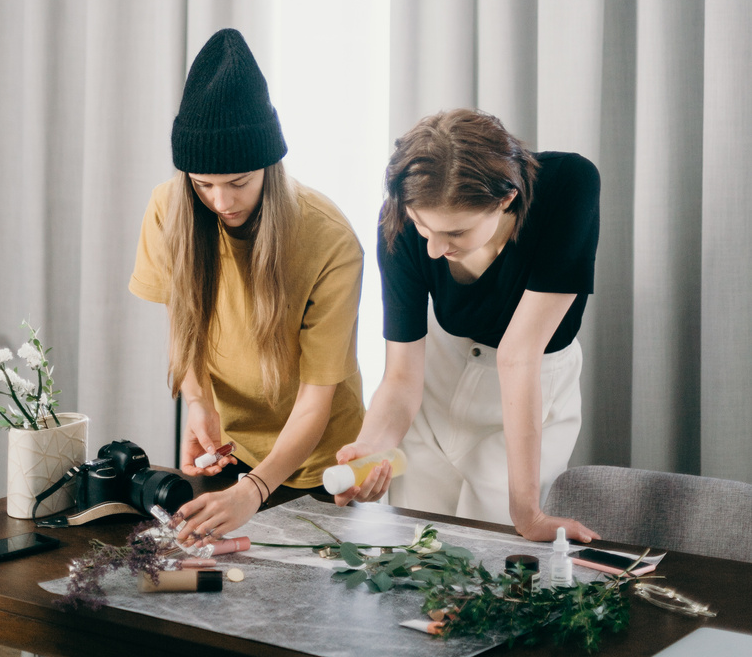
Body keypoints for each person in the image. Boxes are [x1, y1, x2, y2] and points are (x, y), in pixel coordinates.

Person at [129, 28, 364, 539]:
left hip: (322, 465)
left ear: (269, 165)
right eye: (203, 184)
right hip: (235, 455)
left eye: (238, 182)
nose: (221, 201)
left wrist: (256, 490)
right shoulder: (168, 210)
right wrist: (199, 404)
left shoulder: (329, 240)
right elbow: (183, 325)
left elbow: (315, 399)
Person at [333, 109, 601, 544]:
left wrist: (528, 512)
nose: (435, 249)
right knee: (416, 552)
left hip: (528, 389)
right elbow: (402, 378)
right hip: (437, 384)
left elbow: (519, 355)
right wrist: (370, 449)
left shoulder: (569, 185)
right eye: (424, 226)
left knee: (496, 558)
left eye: (455, 233)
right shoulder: (399, 224)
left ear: (505, 199)